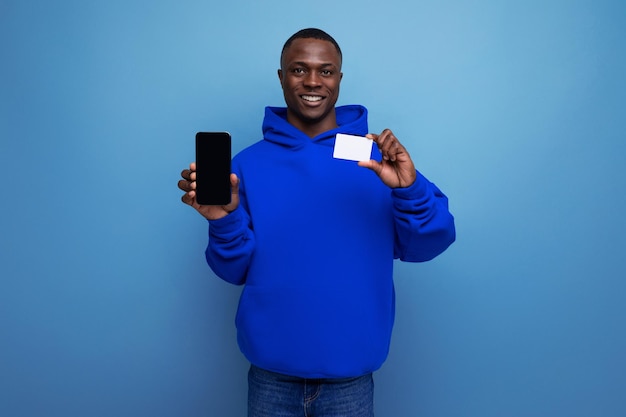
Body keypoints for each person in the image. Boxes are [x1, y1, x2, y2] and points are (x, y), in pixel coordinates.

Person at [178, 28, 455, 417]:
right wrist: (223, 221)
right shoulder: (243, 166)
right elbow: (233, 269)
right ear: (281, 77)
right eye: (298, 69)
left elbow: (428, 244)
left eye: (325, 71)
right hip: (270, 376)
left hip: (351, 379)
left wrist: (409, 189)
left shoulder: (377, 161)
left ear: (340, 79)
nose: (312, 82)